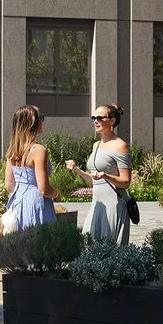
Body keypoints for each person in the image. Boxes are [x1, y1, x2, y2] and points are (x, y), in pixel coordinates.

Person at [67, 104, 134, 244]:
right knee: (88, 244)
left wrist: (106, 176)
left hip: (114, 205)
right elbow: (95, 180)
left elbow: (126, 182)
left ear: (112, 120)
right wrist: (76, 170)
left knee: (110, 248)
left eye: (100, 118)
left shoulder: (120, 145)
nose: (95, 121)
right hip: (97, 205)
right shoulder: (96, 145)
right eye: (93, 118)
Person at [0, 106, 56, 235]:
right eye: (41, 118)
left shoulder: (13, 150)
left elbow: (9, 185)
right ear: (32, 122)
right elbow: (44, 189)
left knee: (21, 241)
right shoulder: (39, 150)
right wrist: (57, 193)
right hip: (36, 202)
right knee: (41, 241)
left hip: (17, 201)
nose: (42, 122)